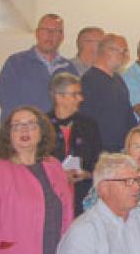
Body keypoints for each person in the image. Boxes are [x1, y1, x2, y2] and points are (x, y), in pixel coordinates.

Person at [0, 106, 74, 254]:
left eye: (31, 124)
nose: (24, 130)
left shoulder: (54, 166)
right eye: (17, 125)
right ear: (8, 134)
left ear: (41, 132)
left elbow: (67, 214)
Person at [57, 153, 140, 254]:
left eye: (137, 180)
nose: (136, 187)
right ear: (103, 188)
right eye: (127, 181)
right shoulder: (84, 232)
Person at [0, 14, 76, 117]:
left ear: (61, 37)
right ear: (37, 33)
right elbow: (8, 102)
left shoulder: (68, 68)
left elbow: (75, 103)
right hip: (25, 128)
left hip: (58, 131)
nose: (50, 34)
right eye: (45, 30)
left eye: (55, 31)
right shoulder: (16, 63)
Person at [47, 73, 100, 215]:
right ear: (59, 97)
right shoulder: (42, 126)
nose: (81, 99)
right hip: (50, 196)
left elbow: (98, 161)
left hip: (82, 196)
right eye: (75, 94)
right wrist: (58, 175)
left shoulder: (89, 125)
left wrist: (88, 174)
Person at [79, 34, 135, 152]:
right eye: (123, 51)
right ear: (107, 50)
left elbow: (128, 114)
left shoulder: (118, 80)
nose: (126, 56)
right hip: (99, 152)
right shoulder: (89, 81)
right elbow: (86, 122)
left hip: (120, 150)